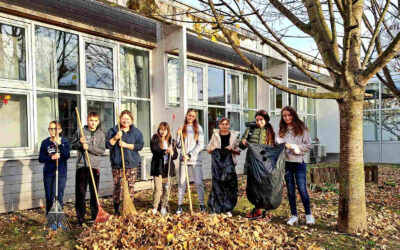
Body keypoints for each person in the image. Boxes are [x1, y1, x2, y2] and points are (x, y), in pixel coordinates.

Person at [276, 106, 314, 226]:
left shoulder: (302, 129)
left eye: (289, 115)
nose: (287, 117)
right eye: (284, 116)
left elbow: (307, 146)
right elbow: (278, 145)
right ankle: (294, 215)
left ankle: (308, 215)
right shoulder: (281, 130)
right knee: (290, 190)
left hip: (299, 163)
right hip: (287, 164)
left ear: (293, 115)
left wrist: (293, 147)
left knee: (302, 189)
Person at [239, 110, 275, 220]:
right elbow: (241, 144)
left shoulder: (270, 131)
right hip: (252, 161)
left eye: (261, 120)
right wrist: (243, 143)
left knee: (265, 186)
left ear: (266, 120)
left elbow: (273, 146)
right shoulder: (250, 129)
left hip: (264, 162)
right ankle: (257, 209)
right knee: (254, 185)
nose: (259, 122)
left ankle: (267, 210)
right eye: (257, 120)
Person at [106, 110, 144, 215]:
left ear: (131, 121)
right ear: (119, 119)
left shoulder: (136, 132)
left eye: (128, 119)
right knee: (118, 186)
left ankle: (128, 208)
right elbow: (107, 145)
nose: (125, 120)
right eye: (123, 118)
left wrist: (126, 145)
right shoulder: (113, 130)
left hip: (131, 164)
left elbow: (139, 145)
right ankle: (117, 209)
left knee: (130, 187)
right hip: (117, 164)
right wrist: (115, 138)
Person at [72, 111, 105, 226]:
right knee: (80, 192)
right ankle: (80, 217)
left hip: (94, 166)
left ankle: (95, 215)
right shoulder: (80, 131)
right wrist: (80, 143)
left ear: (98, 122)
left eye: (95, 121)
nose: (93, 123)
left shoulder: (101, 134)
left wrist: (89, 147)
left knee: (94, 192)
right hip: (82, 166)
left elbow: (101, 151)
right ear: (87, 120)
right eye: (91, 120)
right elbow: (73, 145)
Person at [207, 117, 240, 216]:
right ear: (219, 125)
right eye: (222, 124)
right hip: (217, 163)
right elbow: (208, 149)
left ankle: (227, 208)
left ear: (229, 125)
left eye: (226, 124)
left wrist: (232, 149)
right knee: (217, 185)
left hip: (229, 163)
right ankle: (216, 208)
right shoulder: (215, 135)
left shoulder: (234, 136)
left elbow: (238, 151)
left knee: (228, 185)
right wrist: (212, 148)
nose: (224, 126)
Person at [176, 109, 205, 214]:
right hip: (183, 160)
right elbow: (179, 145)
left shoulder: (199, 128)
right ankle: (179, 205)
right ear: (186, 115)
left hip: (195, 159)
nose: (191, 117)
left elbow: (201, 145)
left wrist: (190, 155)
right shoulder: (182, 127)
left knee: (198, 182)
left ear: (195, 117)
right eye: (189, 115)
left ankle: (202, 205)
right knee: (182, 182)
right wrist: (178, 135)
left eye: (193, 116)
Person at [39, 121, 71, 215]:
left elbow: (66, 156)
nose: (52, 131)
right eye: (50, 128)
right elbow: (41, 158)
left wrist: (60, 144)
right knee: (49, 197)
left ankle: (59, 218)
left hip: (61, 173)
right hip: (48, 173)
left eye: (55, 128)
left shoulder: (65, 141)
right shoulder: (45, 143)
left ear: (60, 130)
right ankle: (50, 219)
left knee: (58, 197)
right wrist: (51, 157)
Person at [150, 122, 178, 215]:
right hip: (158, 167)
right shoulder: (155, 138)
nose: (162, 131)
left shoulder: (171, 141)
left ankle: (163, 207)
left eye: (165, 130)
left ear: (167, 130)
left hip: (167, 168)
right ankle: (155, 207)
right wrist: (165, 151)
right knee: (158, 189)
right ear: (158, 130)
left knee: (166, 188)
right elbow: (155, 150)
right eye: (161, 129)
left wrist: (172, 152)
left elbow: (175, 156)